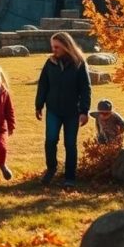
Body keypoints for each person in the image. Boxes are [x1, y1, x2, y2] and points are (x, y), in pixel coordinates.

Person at [35, 31, 91, 189]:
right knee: (51, 140)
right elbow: (43, 85)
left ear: (66, 46)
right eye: (52, 46)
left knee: (70, 144)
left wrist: (84, 111)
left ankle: (70, 177)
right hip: (53, 109)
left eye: (57, 47)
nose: (54, 50)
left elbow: (85, 89)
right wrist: (39, 105)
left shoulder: (79, 63)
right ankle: (51, 168)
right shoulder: (50, 63)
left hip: (72, 112)